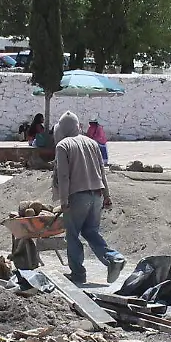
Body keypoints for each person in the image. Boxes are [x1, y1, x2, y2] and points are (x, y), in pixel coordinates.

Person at [52, 110, 124, 285]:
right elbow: (102, 172)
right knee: (91, 231)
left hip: (77, 196)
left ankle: (78, 274)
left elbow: (63, 176)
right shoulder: (92, 143)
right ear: (78, 126)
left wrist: (63, 201)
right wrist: (107, 195)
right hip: (97, 195)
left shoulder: (63, 146)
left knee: (73, 236)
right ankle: (114, 258)